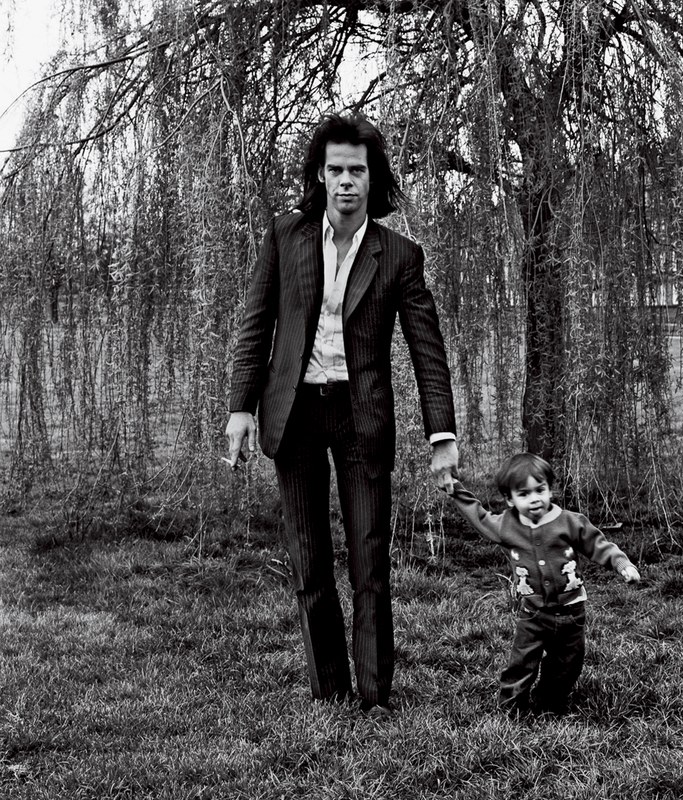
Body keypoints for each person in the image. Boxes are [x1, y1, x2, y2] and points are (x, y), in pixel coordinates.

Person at [225, 112, 458, 716]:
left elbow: (427, 349)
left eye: (357, 170)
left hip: (361, 416)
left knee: (369, 560)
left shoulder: (399, 254)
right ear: (320, 175)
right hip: (295, 412)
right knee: (308, 560)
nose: (346, 180)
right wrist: (240, 407)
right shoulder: (286, 236)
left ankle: (375, 696)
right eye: (336, 170)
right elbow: (256, 323)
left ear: (372, 178)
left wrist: (442, 435)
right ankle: (329, 691)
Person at [447, 452, 639, 715]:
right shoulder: (506, 525)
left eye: (540, 490)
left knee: (567, 664)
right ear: (510, 499)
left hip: (571, 612)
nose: (535, 498)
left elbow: (597, 544)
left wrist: (621, 564)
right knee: (522, 662)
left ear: (550, 489)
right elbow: (479, 517)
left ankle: (547, 703)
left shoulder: (570, 522)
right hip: (533, 613)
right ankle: (512, 708)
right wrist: (455, 490)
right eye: (524, 494)